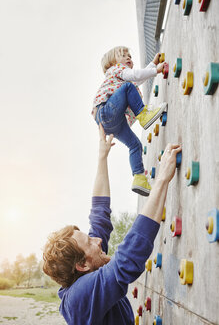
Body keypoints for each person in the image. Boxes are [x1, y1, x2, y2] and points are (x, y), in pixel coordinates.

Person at [43, 124, 181, 325]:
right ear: (82, 265)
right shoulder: (79, 300)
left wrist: (102, 156)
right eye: (90, 242)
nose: (98, 240)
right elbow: (125, 263)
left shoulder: (89, 268)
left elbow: (99, 217)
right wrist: (161, 180)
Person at [92, 46, 168, 196]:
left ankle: (139, 178)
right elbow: (135, 75)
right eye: (123, 55)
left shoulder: (120, 79)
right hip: (106, 111)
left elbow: (138, 78)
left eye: (130, 56)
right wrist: (156, 70)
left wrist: (152, 65)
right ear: (113, 62)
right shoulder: (115, 70)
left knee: (135, 145)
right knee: (128, 87)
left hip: (110, 123)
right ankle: (144, 115)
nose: (128, 58)